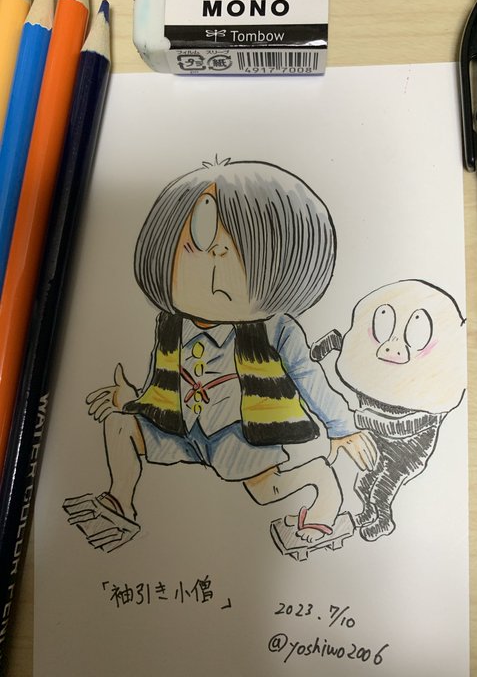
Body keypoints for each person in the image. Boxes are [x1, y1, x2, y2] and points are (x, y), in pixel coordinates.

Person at [65, 158, 376, 552]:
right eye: (193, 246)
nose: (211, 265)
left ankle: (321, 483)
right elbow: (164, 380)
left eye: (232, 253)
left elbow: (308, 374)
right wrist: (132, 399)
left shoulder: (274, 329)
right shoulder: (169, 324)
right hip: (180, 429)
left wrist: (341, 425)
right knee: (118, 426)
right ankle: (119, 503)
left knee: (265, 491)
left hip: (237, 433)